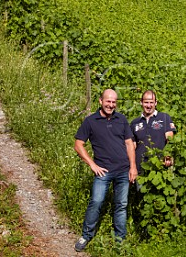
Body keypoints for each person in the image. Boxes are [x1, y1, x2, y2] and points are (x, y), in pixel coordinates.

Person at [73, 89, 137, 252]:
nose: (111, 105)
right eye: (108, 101)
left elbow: (129, 144)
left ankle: (119, 239)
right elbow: (78, 145)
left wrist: (133, 167)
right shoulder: (90, 121)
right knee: (96, 201)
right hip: (103, 171)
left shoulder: (121, 119)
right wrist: (92, 164)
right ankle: (86, 236)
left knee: (121, 204)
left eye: (114, 102)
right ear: (100, 101)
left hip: (123, 170)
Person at [130, 90, 176, 179]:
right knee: (140, 192)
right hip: (141, 169)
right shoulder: (134, 123)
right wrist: (131, 167)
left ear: (156, 103)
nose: (149, 105)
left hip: (160, 167)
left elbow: (170, 139)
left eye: (151, 102)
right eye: (146, 102)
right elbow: (132, 146)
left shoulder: (164, 117)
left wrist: (168, 155)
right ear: (141, 103)